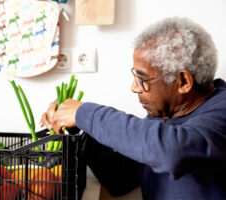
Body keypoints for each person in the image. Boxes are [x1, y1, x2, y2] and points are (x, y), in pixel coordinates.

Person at [40, 17, 226, 199]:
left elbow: (171, 151)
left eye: (142, 79)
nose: (134, 87)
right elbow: (121, 180)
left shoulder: (221, 109)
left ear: (183, 82)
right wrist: (79, 126)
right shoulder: (163, 115)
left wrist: (84, 113)